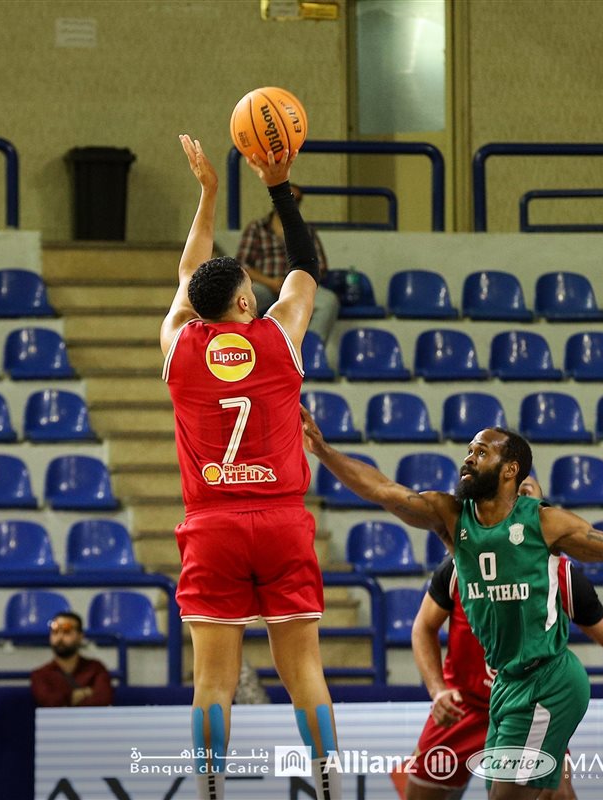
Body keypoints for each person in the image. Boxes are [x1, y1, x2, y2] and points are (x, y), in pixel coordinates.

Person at [300, 412, 603, 799]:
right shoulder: (451, 518)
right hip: (504, 688)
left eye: (481, 452)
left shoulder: (542, 523)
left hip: (547, 683)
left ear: (509, 470)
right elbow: (383, 490)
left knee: (511, 796)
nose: (467, 458)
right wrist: (323, 450)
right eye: (469, 450)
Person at [161, 136, 341, 800]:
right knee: (304, 672)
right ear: (244, 304)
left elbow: (188, 275)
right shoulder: (279, 335)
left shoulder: (179, 345)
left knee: (213, 680)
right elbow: (305, 263)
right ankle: (328, 782)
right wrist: (277, 185)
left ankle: (210, 785)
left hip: (212, 526)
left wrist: (207, 193)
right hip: (283, 522)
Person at [400, 478, 603, 800]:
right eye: (515, 494)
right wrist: (437, 689)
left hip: (531, 700)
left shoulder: (562, 575)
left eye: (528, 496)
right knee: (419, 794)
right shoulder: (459, 566)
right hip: (464, 706)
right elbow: (423, 628)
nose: (520, 501)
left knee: (559, 793)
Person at [236, 182, 339, 342]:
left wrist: (297, 284)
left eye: (295, 200)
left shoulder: (307, 231)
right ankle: (245, 344)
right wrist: (271, 282)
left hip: (299, 288)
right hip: (265, 285)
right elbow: (242, 265)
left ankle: (310, 348)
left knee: (329, 302)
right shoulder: (257, 228)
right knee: (239, 300)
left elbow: (320, 267)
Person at [30, 611, 114, 708]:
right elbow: (50, 702)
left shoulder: (96, 669)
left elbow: (102, 700)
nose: (60, 637)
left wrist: (65, 701)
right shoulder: (40, 675)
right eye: (55, 632)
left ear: (80, 636)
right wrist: (82, 693)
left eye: (67, 631)